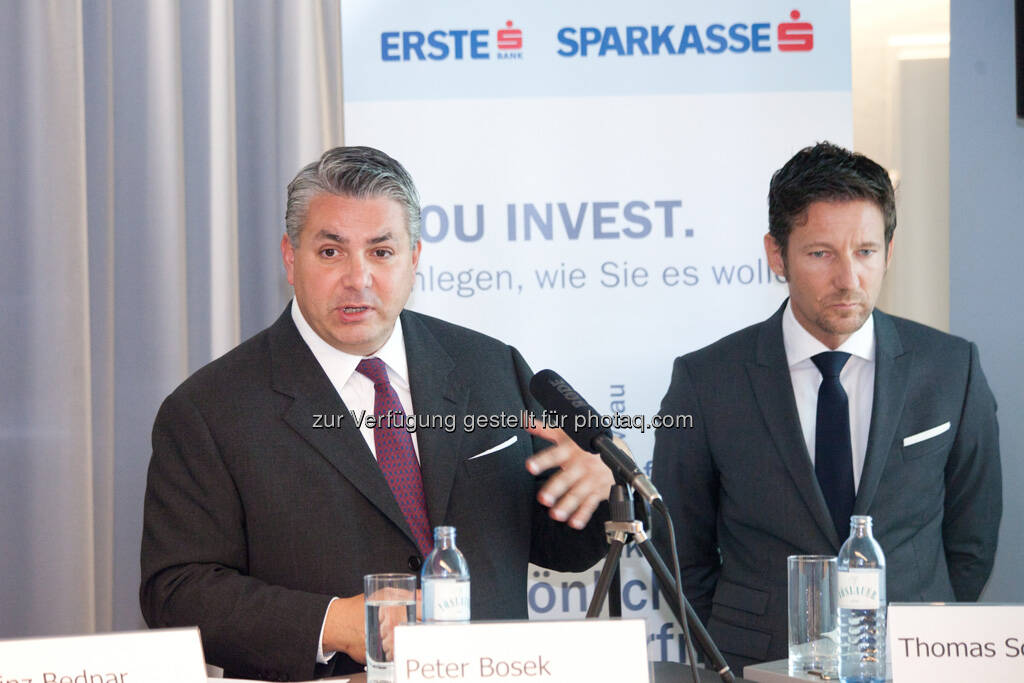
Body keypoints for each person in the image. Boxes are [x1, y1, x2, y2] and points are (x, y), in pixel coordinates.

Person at [140, 146, 614, 680]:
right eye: (330, 252)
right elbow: (176, 590)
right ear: (290, 258)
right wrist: (332, 622)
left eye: (381, 252)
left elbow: (564, 550)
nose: (358, 278)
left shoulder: (490, 368)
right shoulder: (209, 409)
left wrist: (596, 493)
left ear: (414, 258)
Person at [652, 141, 1001, 672]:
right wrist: (728, 651)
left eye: (865, 251)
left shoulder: (953, 368)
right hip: (757, 661)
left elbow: (972, 536)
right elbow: (679, 548)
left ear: (889, 250)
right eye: (821, 254)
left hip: (913, 658)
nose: (848, 279)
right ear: (777, 254)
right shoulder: (706, 380)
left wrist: (930, 627)